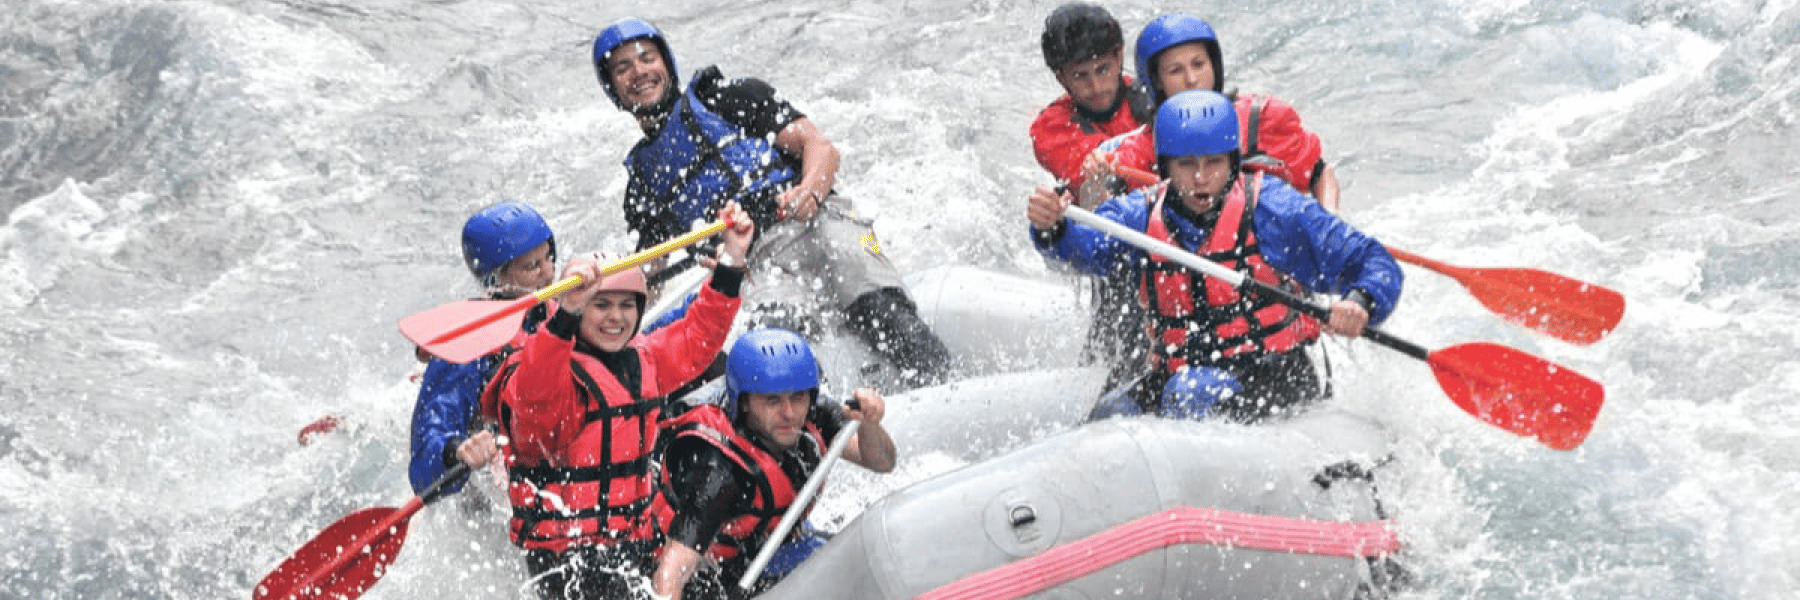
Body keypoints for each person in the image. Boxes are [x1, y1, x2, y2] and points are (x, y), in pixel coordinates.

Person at [590, 17, 952, 389]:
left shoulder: (729, 97)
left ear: (666, 62)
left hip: (827, 221)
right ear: (613, 88)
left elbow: (821, 148)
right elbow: (648, 275)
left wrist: (809, 191)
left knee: (877, 298)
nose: (639, 71)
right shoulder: (643, 184)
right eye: (623, 67)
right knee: (779, 353)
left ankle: (944, 382)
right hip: (759, 265)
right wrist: (597, 306)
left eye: (647, 58)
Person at [1026, 90, 1402, 423]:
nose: (1201, 178)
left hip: (1275, 375)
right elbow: (1084, 246)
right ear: (1166, 167)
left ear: (1232, 161)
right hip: (1182, 375)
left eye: (1214, 163)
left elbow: (1374, 262)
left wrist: (1359, 302)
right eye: (1187, 165)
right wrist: (1052, 228)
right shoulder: (1140, 214)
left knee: (1192, 393)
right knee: (1110, 414)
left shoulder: (1274, 207)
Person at [479, 203, 755, 600]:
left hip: (632, 545)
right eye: (601, 305)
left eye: (628, 305)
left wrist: (731, 263)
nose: (616, 318)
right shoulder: (547, 367)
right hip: (565, 563)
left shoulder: (646, 358)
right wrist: (566, 314)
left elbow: (698, 340)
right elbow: (537, 401)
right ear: (575, 309)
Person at [649, 328, 897, 599]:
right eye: (773, 401)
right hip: (712, 576)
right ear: (743, 403)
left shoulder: (813, 414)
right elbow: (671, 571)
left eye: (798, 398)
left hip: (766, 547)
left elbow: (882, 462)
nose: (789, 413)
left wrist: (870, 424)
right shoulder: (719, 473)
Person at [1095, 13, 1342, 213]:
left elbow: (1320, 174)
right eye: (1175, 71)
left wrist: (1332, 225)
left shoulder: (1264, 118)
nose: (1192, 79)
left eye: (1199, 64)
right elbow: (1100, 218)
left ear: (1215, 66)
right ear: (1156, 82)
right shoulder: (1138, 151)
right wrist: (1094, 183)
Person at [1027, 3, 1154, 390]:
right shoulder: (1050, 128)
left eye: (1103, 70)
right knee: (1115, 352)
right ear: (1061, 77)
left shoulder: (1154, 96)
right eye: (1081, 77)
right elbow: (1100, 196)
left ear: (1119, 57)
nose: (1097, 87)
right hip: (1112, 247)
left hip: (1173, 231)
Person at [407, 200, 557, 499]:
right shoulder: (467, 350)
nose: (548, 273)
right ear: (497, 278)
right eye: (531, 266)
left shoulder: (561, 316)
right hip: (490, 488)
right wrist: (455, 452)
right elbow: (427, 449)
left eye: (548, 258)